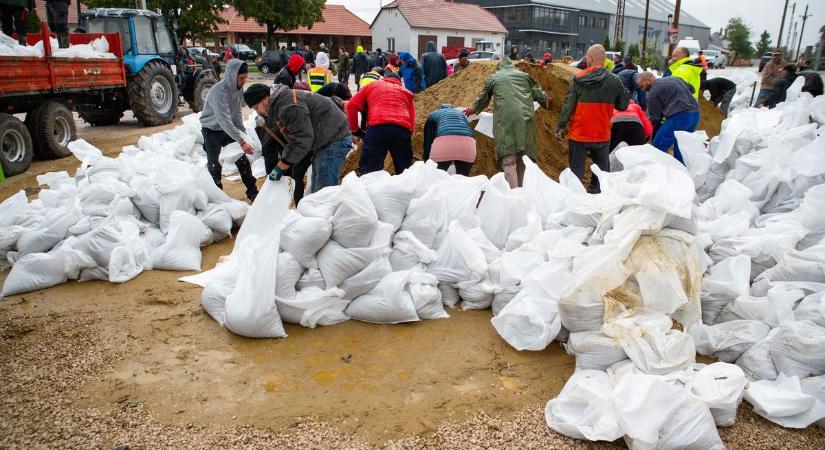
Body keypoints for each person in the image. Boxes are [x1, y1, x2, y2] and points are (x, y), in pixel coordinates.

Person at [246, 83, 352, 203]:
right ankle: (319, 216)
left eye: (256, 107)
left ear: (265, 98)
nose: (257, 112)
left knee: (323, 194)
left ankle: (325, 219)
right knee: (317, 191)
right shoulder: (281, 102)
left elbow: (301, 138)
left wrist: (282, 164)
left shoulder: (288, 106)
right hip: (324, 139)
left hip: (334, 140)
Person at [465, 56, 550, 188]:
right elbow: (539, 94)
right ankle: (520, 192)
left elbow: (483, 100)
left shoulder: (494, 78)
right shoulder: (524, 76)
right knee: (522, 159)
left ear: (499, 67)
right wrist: (546, 100)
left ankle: (514, 195)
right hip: (526, 120)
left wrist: (473, 109)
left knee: (509, 160)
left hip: (505, 121)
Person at [556, 44, 629, 194]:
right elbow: (623, 105)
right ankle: (597, 197)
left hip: (579, 133)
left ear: (589, 59)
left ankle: (575, 199)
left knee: (576, 172)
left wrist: (561, 126)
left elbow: (568, 105)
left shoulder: (578, 78)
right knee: (602, 174)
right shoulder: (614, 80)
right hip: (601, 133)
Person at [199, 60, 258, 202]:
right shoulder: (218, 92)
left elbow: (236, 113)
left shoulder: (238, 90)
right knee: (215, 165)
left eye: (245, 78)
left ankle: (253, 192)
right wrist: (241, 141)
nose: (244, 81)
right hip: (211, 130)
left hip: (228, 129)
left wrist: (243, 134)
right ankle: (217, 197)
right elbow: (223, 119)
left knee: (242, 161)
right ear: (232, 76)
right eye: (241, 78)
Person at [346, 74, 415, 175]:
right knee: (405, 172)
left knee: (370, 172)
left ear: (384, 79)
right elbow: (412, 122)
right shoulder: (407, 93)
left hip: (377, 128)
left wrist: (355, 130)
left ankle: (368, 189)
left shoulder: (372, 86)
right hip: (401, 129)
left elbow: (351, 105)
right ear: (399, 82)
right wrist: (405, 138)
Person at [636, 72, 700, 165]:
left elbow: (656, 118)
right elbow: (692, 89)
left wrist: (647, 132)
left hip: (679, 117)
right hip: (695, 114)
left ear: (647, 81)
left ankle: (654, 171)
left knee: (658, 146)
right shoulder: (675, 79)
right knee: (681, 145)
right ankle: (681, 171)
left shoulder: (652, 93)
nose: (642, 89)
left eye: (642, 86)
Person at [424, 104, 476, 176]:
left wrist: (427, 161)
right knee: (463, 180)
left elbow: (428, 140)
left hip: (444, 143)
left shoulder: (433, 114)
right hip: (468, 144)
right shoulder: (461, 114)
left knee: (435, 178)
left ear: (439, 109)